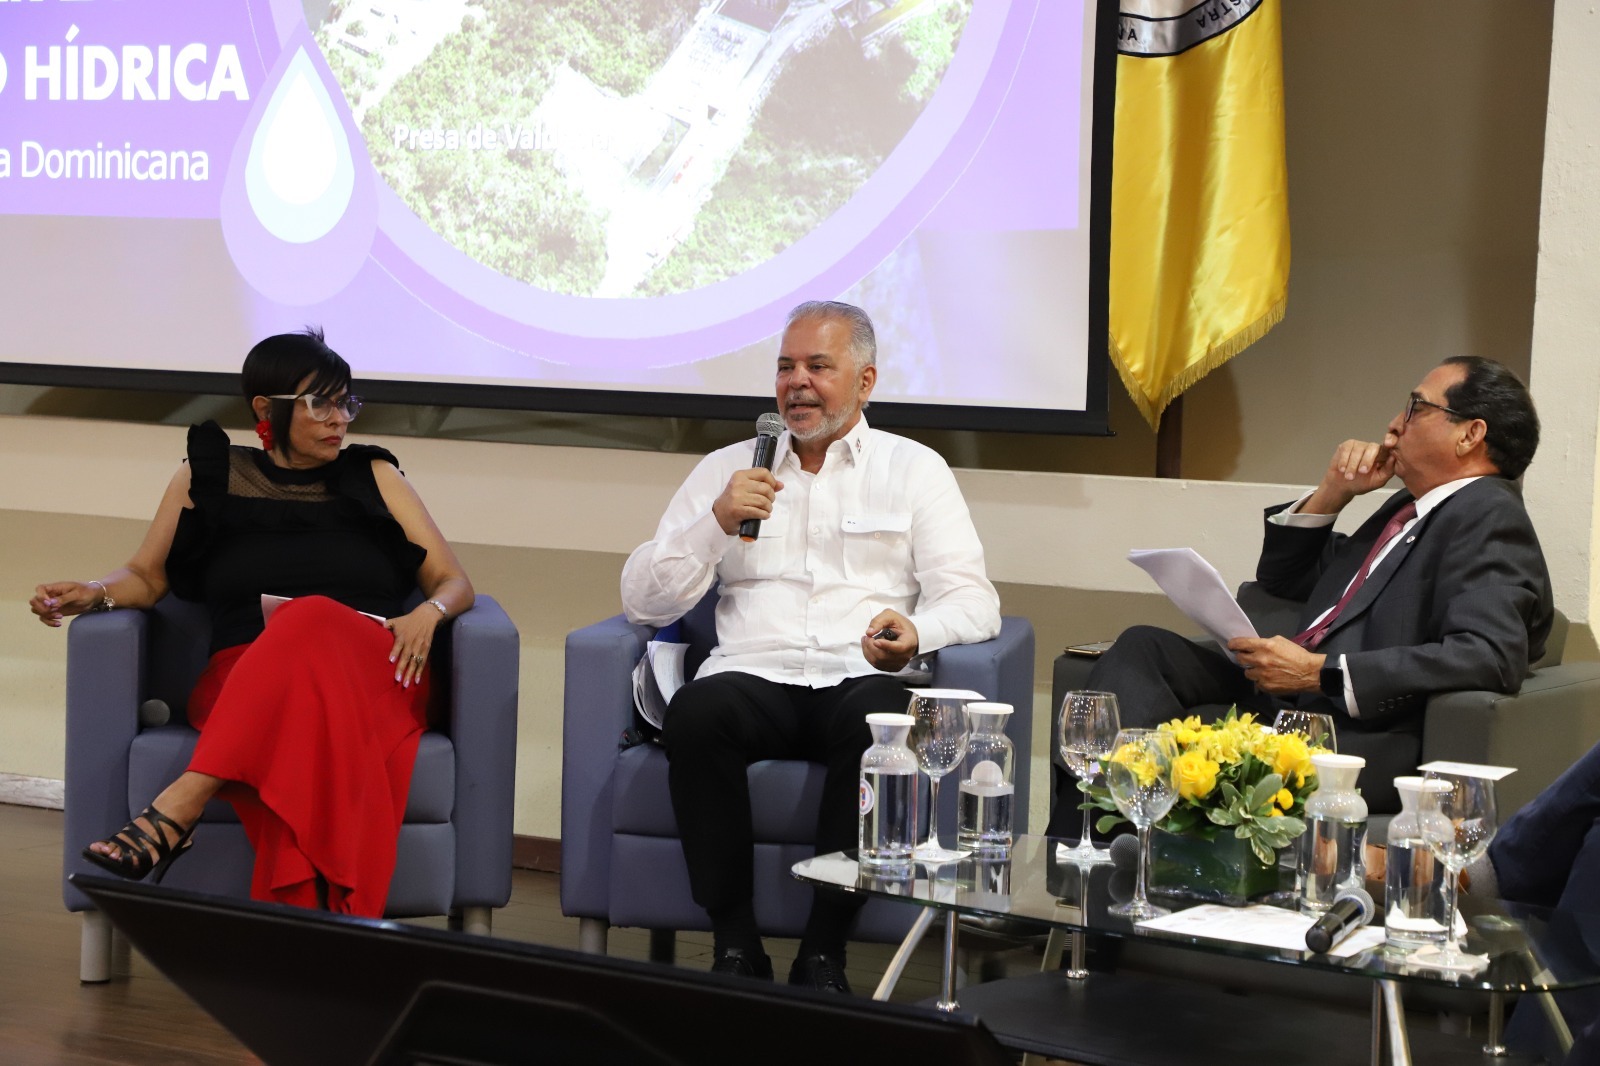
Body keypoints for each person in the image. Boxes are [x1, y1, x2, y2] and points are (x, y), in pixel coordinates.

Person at [620, 300, 1001, 992]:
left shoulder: (915, 470)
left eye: (818, 367)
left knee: (879, 721)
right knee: (696, 716)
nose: (797, 383)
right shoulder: (728, 471)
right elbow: (642, 602)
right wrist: (715, 522)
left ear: (864, 381)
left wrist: (920, 632)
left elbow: (974, 601)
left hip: (856, 674)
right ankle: (736, 947)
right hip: (753, 676)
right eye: (786, 367)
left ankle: (823, 954)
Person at [30, 329, 473, 917]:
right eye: (321, 404)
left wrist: (429, 611)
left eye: (346, 403)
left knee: (312, 613)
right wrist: (95, 592)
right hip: (244, 679)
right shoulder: (207, 476)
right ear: (267, 409)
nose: (339, 418)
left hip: (371, 676)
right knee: (294, 692)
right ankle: (315, 945)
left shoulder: (377, 477)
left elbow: (454, 580)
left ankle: (179, 806)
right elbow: (147, 576)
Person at [1048, 356, 1552, 831]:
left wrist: (1321, 671)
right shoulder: (1407, 508)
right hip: (1285, 693)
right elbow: (1285, 580)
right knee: (1142, 649)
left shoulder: (1488, 513)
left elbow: (1491, 653)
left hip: (1350, 724)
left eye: (1417, 407)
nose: (1395, 423)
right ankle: (1076, 848)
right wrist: (1333, 491)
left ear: (1470, 434)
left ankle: (1084, 865)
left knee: (1170, 732)